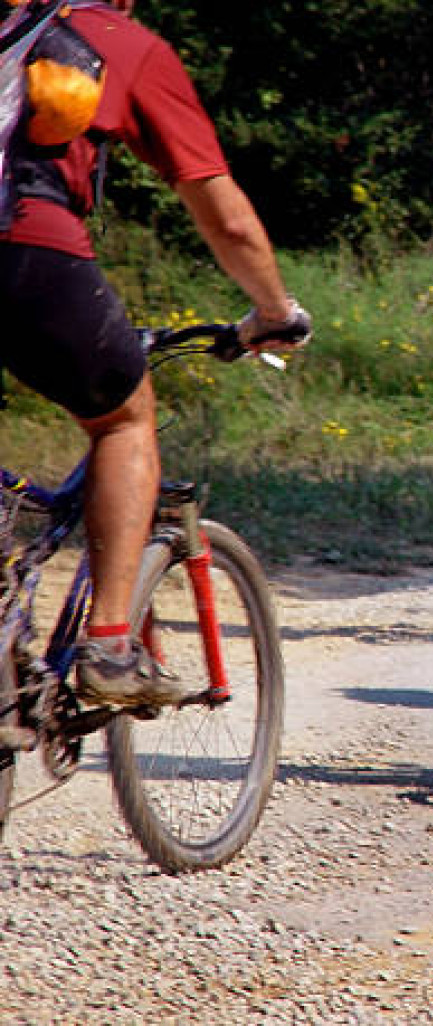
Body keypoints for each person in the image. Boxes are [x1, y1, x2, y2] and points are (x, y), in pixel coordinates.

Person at [0, 0, 310, 707]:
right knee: (123, 419)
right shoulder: (119, 41)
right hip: (26, 249)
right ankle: (110, 645)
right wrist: (273, 311)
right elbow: (222, 212)